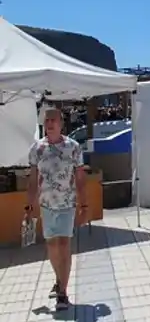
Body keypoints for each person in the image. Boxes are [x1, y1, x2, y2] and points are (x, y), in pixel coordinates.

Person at [26, 108, 86, 311]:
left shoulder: (73, 147)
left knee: (64, 245)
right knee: (52, 247)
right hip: (46, 205)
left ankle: (62, 292)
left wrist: (84, 204)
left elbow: (79, 178)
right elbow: (33, 179)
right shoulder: (37, 149)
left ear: (61, 123)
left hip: (67, 204)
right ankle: (59, 279)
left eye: (53, 120)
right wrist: (29, 205)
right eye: (47, 120)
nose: (49, 123)